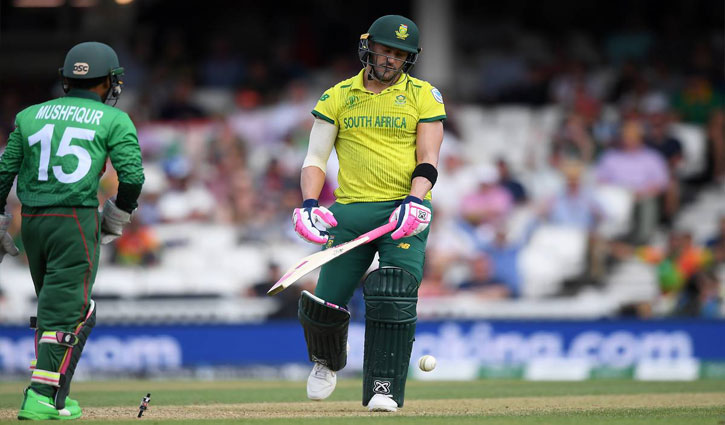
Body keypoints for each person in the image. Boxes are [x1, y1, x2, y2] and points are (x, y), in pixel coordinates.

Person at [290, 15, 445, 412]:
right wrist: (309, 203)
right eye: (385, 50)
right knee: (323, 305)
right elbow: (315, 158)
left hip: (403, 212)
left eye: (400, 54)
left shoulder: (424, 95)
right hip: (351, 211)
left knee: (394, 293)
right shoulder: (337, 96)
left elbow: (428, 158)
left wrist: (416, 200)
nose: (391, 59)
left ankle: (384, 388)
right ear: (368, 47)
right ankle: (326, 361)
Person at [0, 42, 144, 420]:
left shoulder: (28, 116)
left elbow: (3, 172)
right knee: (66, 314)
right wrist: (119, 213)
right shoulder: (113, 119)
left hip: (32, 222)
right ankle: (40, 397)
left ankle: (57, 397)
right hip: (74, 218)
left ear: (66, 79)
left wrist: (0, 220)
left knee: (57, 309)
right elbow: (132, 176)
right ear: (109, 81)